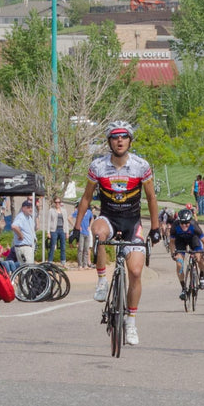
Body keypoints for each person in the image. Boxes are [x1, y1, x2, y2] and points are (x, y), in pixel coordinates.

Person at [72, 120, 160, 347]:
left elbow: (151, 198)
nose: (119, 140)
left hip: (132, 222)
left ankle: (131, 321)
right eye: (115, 136)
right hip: (109, 218)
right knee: (98, 232)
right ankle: (102, 280)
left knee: (136, 272)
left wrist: (156, 228)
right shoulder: (98, 166)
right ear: (109, 141)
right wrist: (76, 226)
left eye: (123, 136)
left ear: (130, 140)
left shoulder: (141, 166)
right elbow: (86, 198)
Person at [170, 208, 204, 300]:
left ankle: (202, 274)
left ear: (190, 221)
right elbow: (172, 242)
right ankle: (183, 288)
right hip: (180, 241)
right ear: (179, 222)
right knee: (179, 263)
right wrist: (173, 253)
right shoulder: (175, 226)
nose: (184, 225)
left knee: (200, 258)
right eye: (182, 223)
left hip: (193, 239)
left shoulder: (194, 226)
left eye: (187, 223)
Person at [11, 199, 37, 264]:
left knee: (28, 268)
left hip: (29, 247)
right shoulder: (21, 217)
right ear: (23, 208)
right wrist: (21, 235)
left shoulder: (29, 218)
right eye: (28, 208)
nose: (30, 209)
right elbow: (14, 226)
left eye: (31, 207)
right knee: (27, 268)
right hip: (23, 247)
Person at [71, 200, 94, 269]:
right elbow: (70, 218)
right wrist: (76, 226)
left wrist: (90, 226)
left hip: (87, 232)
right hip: (80, 233)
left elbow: (92, 218)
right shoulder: (79, 211)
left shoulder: (89, 212)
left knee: (86, 249)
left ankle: (85, 264)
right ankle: (80, 265)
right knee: (80, 249)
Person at [47, 196, 67, 267]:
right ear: (54, 203)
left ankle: (63, 261)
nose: (57, 204)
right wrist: (48, 232)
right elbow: (49, 221)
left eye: (59, 202)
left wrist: (66, 232)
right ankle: (50, 261)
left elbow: (66, 222)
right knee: (52, 246)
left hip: (62, 229)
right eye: (56, 202)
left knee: (63, 246)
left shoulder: (64, 210)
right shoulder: (51, 210)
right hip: (54, 230)